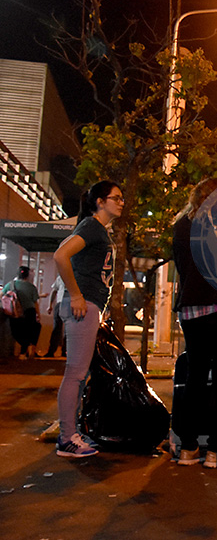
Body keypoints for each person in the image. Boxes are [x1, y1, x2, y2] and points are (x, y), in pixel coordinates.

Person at [171, 178, 217, 468]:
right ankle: (215, 450)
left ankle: (187, 448)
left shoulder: (181, 225)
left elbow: (181, 266)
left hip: (190, 310)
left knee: (195, 378)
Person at [53, 180, 123, 458]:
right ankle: (67, 438)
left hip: (90, 305)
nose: (121, 202)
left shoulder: (96, 229)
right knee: (76, 374)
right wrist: (76, 295)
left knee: (79, 375)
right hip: (83, 305)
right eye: (116, 198)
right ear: (100, 201)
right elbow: (61, 255)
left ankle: (71, 434)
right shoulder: (92, 226)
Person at [4, 266, 41, 359]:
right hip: (29, 312)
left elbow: (2, 295)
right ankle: (23, 352)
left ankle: (24, 349)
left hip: (15, 312)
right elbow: (35, 302)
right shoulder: (32, 287)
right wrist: (38, 314)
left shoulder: (10, 285)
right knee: (28, 331)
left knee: (16, 332)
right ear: (27, 275)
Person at [43, 275, 67, 358]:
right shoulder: (62, 276)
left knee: (59, 328)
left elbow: (54, 291)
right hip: (65, 303)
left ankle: (56, 350)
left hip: (63, 303)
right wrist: (50, 305)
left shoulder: (61, 276)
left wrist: (50, 305)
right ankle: (60, 351)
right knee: (63, 328)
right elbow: (54, 291)